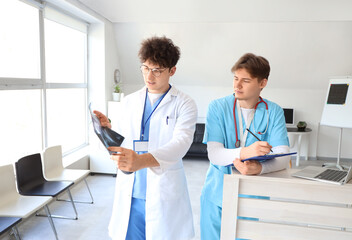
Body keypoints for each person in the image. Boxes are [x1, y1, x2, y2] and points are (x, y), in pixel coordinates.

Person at [94, 36, 197, 240]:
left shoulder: (184, 103)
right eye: (145, 68)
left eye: (157, 70)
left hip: (163, 188)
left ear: (172, 70)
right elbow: (122, 142)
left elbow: (181, 143)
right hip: (131, 191)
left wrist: (142, 160)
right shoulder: (129, 101)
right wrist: (107, 130)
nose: (150, 76)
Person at [200, 53, 291, 239]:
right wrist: (247, 152)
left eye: (246, 80)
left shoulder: (273, 111)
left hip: (253, 198)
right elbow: (215, 154)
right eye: (235, 78)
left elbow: (283, 156)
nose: (237, 85)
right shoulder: (218, 107)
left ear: (262, 83)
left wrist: (259, 168)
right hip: (217, 195)